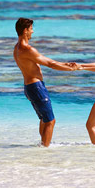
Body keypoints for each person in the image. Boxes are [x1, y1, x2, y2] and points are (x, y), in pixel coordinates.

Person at [13, 17, 78, 147]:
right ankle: (45, 149)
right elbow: (50, 64)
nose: (32, 31)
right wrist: (70, 68)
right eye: (31, 29)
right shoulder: (28, 49)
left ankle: (42, 146)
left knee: (44, 119)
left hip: (30, 87)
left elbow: (47, 61)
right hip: (36, 87)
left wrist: (65, 64)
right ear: (25, 30)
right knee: (50, 121)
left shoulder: (17, 48)